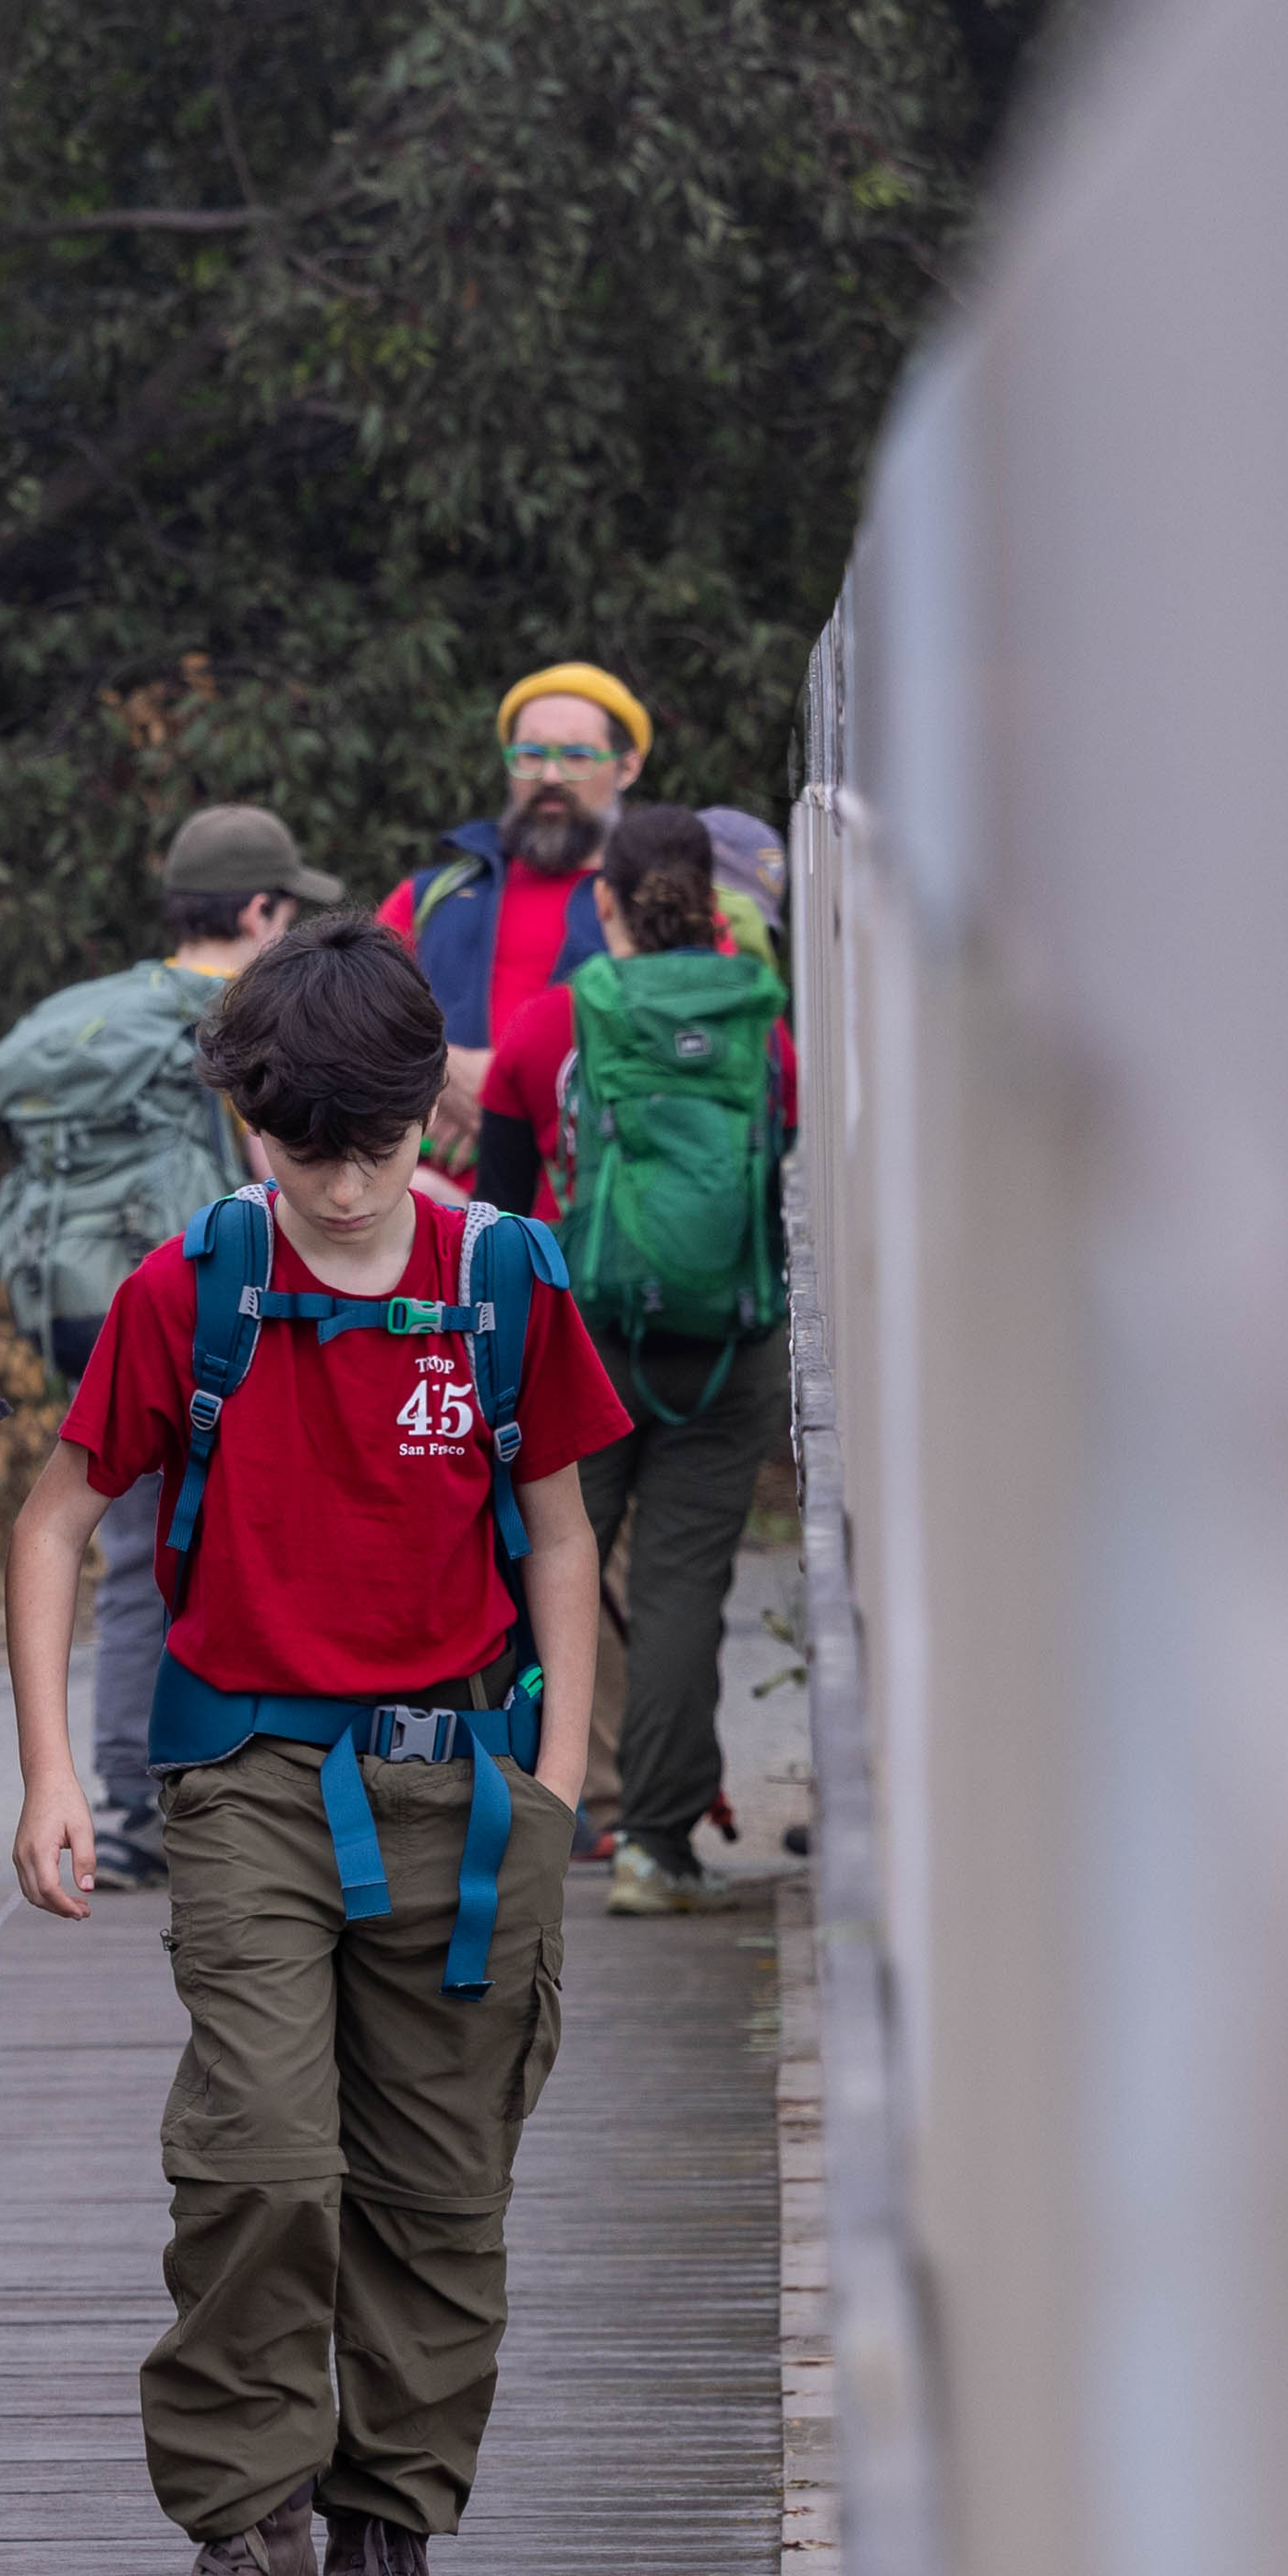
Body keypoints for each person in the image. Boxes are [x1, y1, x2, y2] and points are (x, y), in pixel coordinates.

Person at [5, 922, 624, 2576]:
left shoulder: (504, 1276)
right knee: (260, 2156)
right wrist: (54, 1764)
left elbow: (566, 1533)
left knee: (438, 2186)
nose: (347, 1189)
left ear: (433, 1111)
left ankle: (383, 2542)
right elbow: (55, 1520)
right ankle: (241, 2517)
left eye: (380, 1145)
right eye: (304, 1151)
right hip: (253, 1780)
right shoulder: (186, 1287)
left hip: (467, 1781)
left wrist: (562, 1781)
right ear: (244, 1126)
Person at [0, 805, 334, 1889]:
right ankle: (161, 1797)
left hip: (81, 1294)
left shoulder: (110, 1008)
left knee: (130, 1540)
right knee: (187, 1543)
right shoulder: (238, 1016)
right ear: (262, 908)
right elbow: (270, 1165)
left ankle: (135, 1799)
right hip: (190, 1293)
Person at [488, 806, 790, 1915]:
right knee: (678, 1591)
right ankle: (652, 1851)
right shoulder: (765, 1027)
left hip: (580, 1339)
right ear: (713, 910)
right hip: (725, 1353)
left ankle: (505, 1815)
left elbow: (502, 1215)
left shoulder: (544, 1025)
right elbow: (768, 1187)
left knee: (529, 1567)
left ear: (602, 899)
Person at [386, 659, 649, 1198]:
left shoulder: (664, 906)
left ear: (627, 767)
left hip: (600, 1238)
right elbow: (339, 1025)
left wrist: (511, 1093)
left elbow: (710, 1052)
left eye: (576, 756)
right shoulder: (426, 899)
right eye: (530, 755)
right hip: (434, 1233)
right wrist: (436, 1072)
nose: (550, 777)